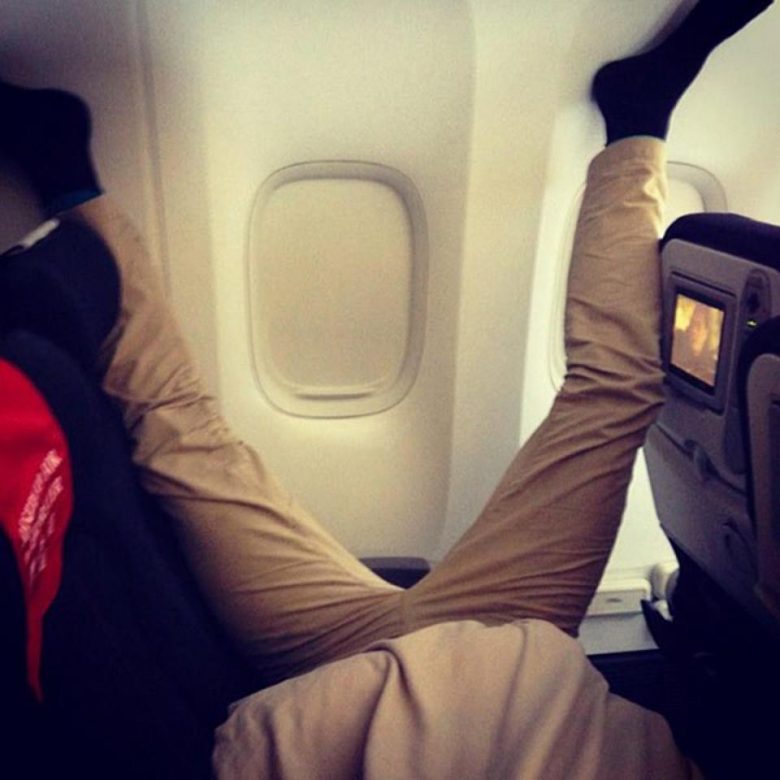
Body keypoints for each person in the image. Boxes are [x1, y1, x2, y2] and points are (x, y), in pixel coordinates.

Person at [0, 1, 772, 776]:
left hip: (352, 667)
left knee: (179, 427)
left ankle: (68, 179)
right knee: (614, 390)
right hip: (489, 644)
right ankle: (636, 123)